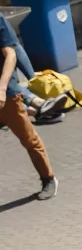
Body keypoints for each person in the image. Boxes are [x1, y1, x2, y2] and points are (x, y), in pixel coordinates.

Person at [0, 15, 55, 200]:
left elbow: (11, 53)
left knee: (28, 139)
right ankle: (35, 107)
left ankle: (48, 179)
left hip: (5, 94)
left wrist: (2, 88)